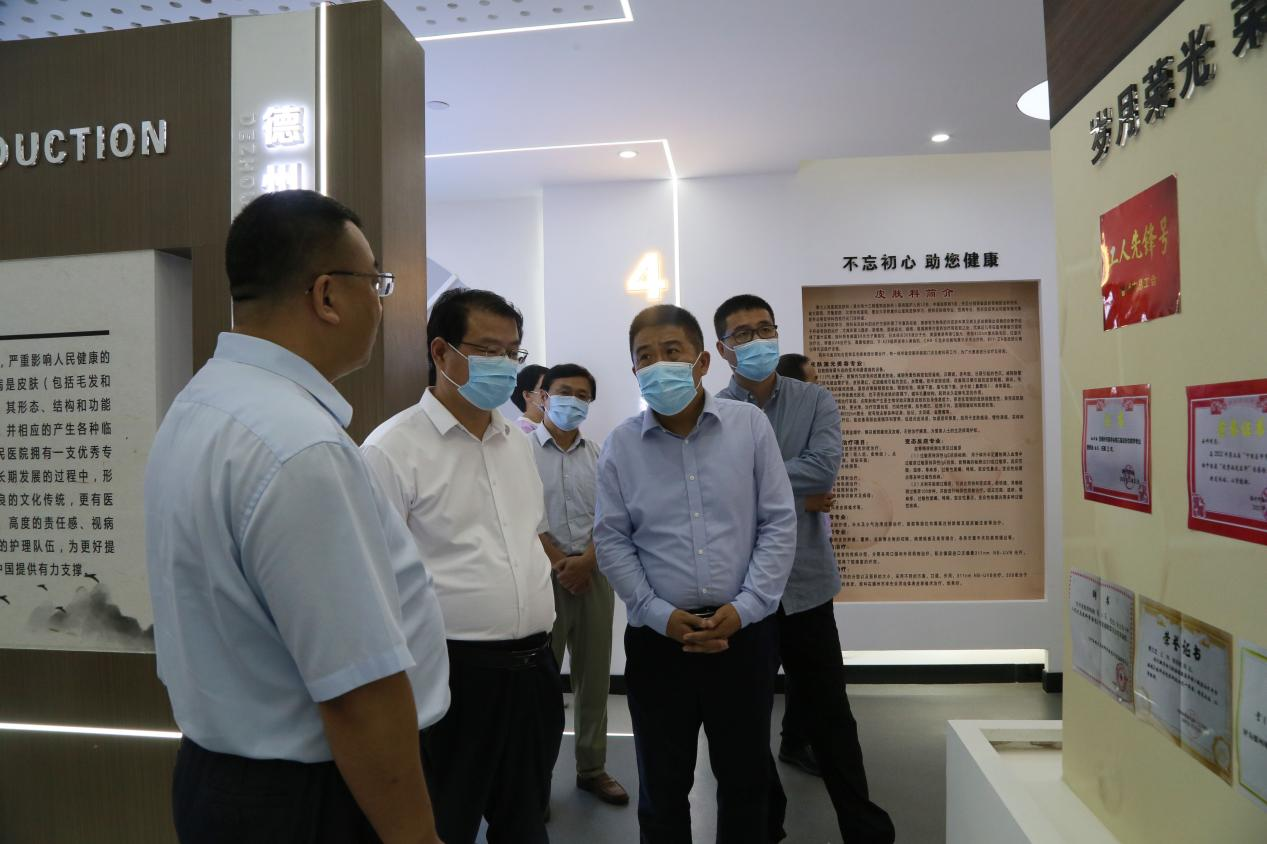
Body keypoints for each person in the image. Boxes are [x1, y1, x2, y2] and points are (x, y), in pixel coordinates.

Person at [144, 189, 448, 844]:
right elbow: (357, 692)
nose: (381, 302)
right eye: (377, 283)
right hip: (312, 796)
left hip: (221, 780)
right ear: (327, 296)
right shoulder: (300, 446)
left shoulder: (201, 404)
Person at [361, 288, 561, 844]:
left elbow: (528, 538)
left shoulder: (517, 443)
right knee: (443, 823)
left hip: (535, 671)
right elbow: (372, 581)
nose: (504, 364)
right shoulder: (390, 450)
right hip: (450, 676)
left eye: (512, 352)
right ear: (441, 352)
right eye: (488, 350)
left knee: (526, 823)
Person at [595, 304, 797, 844]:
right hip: (660, 643)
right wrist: (656, 613)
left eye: (671, 352)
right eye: (645, 357)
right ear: (634, 370)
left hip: (743, 638)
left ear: (702, 362)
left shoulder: (749, 426)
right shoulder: (620, 445)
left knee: (746, 782)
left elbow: (778, 522)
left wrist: (747, 608)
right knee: (662, 789)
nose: (657, 365)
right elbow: (612, 538)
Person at [714, 294, 895, 844]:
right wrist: (783, 488)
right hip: (744, 593)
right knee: (745, 721)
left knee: (831, 715)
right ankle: (767, 823)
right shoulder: (714, 413)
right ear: (723, 349)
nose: (757, 340)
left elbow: (822, 470)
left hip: (807, 585)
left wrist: (751, 477)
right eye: (742, 334)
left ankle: (863, 828)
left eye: (765, 328)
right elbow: (715, 493)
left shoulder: (814, 399)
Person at [531, 363, 629, 807]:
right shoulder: (519, 451)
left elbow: (612, 515)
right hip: (541, 577)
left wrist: (587, 561)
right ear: (544, 397)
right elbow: (521, 513)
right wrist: (560, 563)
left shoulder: (601, 454)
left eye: (582, 395)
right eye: (564, 392)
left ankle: (592, 768)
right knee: (541, 684)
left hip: (594, 573)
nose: (573, 401)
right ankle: (536, 780)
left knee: (594, 677)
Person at [513, 364, 548, 433]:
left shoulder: (549, 426)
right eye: (545, 389)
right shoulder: (522, 431)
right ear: (527, 395)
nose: (551, 394)